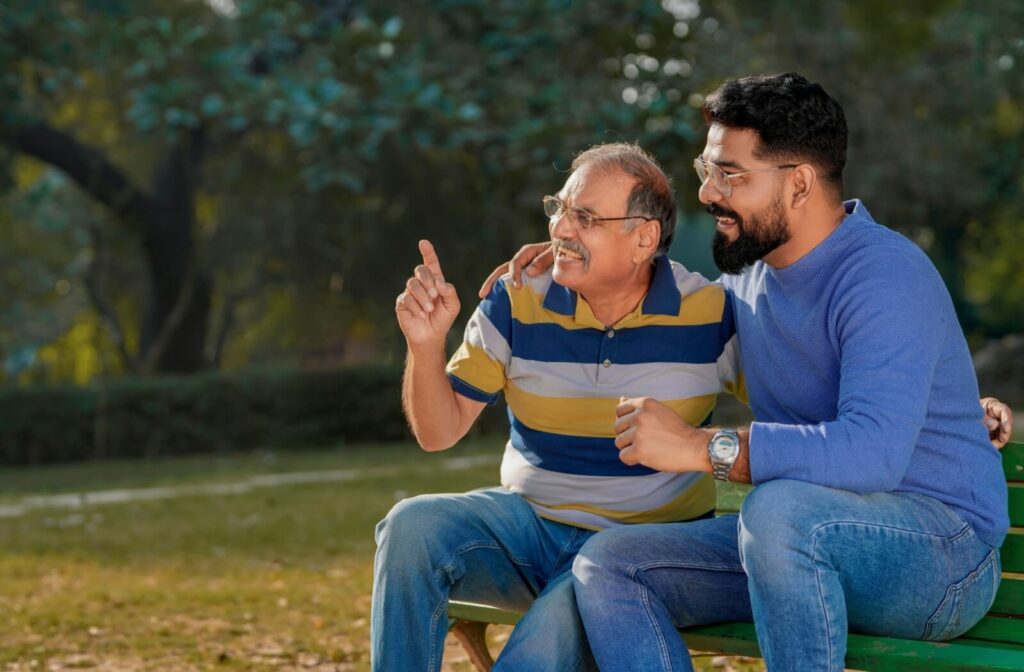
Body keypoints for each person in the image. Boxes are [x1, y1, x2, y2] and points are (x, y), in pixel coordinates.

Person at [486, 73, 1014, 671]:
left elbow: (873, 452)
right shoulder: (747, 280)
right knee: (608, 562)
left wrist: (702, 448)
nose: (709, 193)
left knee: (777, 509)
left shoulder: (885, 275)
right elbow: (647, 287)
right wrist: (570, 251)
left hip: (939, 554)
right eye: (707, 169)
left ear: (798, 184)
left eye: (730, 175)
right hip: (799, 540)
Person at [371, 143, 744, 671]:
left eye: (586, 217)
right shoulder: (516, 296)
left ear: (644, 239)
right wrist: (425, 346)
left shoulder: (710, 313)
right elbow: (439, 432)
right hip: (528, 528)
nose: (562, 229)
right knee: (410, 527)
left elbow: (797, 405)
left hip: (631, 555)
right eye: (560, 209)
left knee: (546, 642)